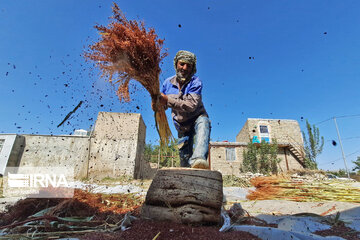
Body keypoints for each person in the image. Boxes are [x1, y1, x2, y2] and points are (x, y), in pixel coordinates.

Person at [152, 50, 211, 169]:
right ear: (176, 64)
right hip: (181, 126)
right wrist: (157, 105)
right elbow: (163, 105)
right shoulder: (167, 83)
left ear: (192, 68)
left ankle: (199, 158)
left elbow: (191, 105)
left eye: (189, 66)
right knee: (184, 162)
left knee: (204, 123)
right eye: (182, 64)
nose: (184, 68)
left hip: (197, 118)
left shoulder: (196, 82)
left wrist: (167, 99)